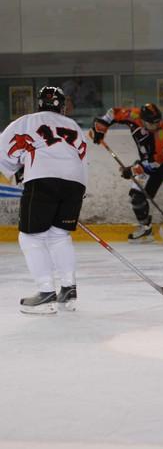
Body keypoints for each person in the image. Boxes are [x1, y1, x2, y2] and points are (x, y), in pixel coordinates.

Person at [0, 86, 89, 315]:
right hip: (76, 183)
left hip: (42, 179)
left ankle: (46, 292)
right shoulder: (74, 126)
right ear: (63, 106)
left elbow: (4, 152)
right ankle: (68, 290)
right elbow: (82, 158)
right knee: (59, 235)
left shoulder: (27, 121)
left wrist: (18, 168)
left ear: (40, 103)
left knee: (30, 237)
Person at [90, 103, 163, 242]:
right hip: (147, 162)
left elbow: (157, 161)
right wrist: (101, 127)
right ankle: (145, 229)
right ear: (142, 120)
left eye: (158, 122)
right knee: (136, 196)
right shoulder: (133, 115)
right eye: (152, 123)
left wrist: (132, 170)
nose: (156, 126)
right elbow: (113, 113)